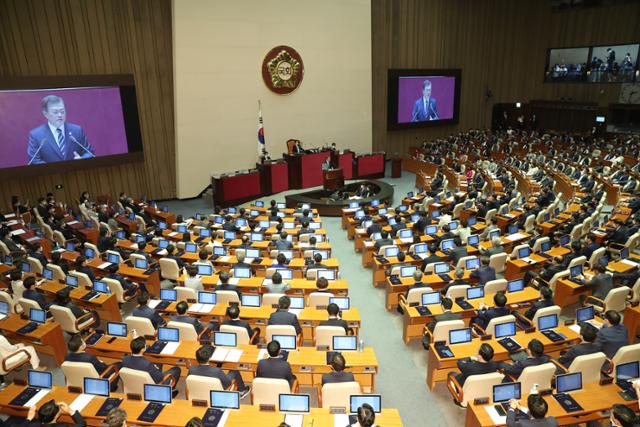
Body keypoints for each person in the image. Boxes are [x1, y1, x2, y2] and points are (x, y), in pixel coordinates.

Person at [27, 95, 94, 165]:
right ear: (45, 114)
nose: (60, 115)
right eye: (55, 112)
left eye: (62, 111)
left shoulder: (77, 130)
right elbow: (34, 160)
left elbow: (89, 153)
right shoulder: (36, 135)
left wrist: (82, 159)